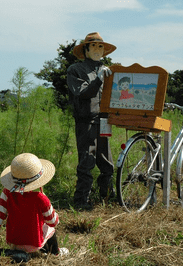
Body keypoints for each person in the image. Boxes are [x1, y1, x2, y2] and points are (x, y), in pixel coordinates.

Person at [0, 153, 68, 262]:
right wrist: (54, 213)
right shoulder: (41, 198)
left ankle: (15, 252)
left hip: (14, 242)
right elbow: (53, 222)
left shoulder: (7, 193)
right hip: (34, 243)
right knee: (50, 228)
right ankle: (55, 253)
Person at [67, 32, 117, 211]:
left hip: (104, 120)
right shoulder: (76, 70)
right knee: (87, 160)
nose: (98, 50)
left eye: (100, 46)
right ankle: (81, 201)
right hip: (86, 121)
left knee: (106, 161)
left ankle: (107, 197)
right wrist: (98, 80)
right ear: (86, 49)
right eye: (94, 46)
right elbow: (83, 93)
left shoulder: (108, 70)